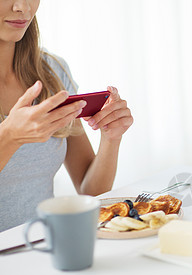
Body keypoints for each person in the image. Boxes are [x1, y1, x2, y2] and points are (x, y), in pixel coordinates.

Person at [0, 0, 133, 231]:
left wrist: (111, 138)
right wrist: (10, 137)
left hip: (42, 248)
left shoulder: (52, 72)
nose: (22, 7)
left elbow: (90, 191)